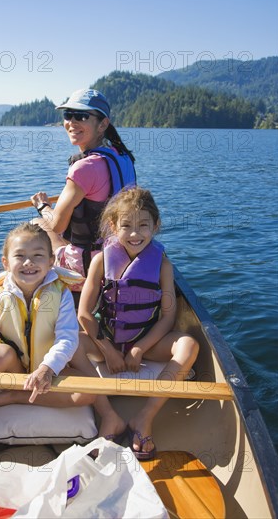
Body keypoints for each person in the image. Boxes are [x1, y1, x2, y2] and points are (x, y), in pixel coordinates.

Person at [70, 187, 199, 460]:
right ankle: (109, 416)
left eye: (143, 225)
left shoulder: (163, 266)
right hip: (106, 339)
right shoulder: (100, 262)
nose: (134, 234)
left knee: (189, 345)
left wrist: (139, 348)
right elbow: (83, 314)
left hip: (147, 340)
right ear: (113, 226)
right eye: (126, 226)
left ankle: (145, 416)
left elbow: (168, 317)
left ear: (156, 226)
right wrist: (106, 349)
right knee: (68, 344)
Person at [0, 222, 95, 449]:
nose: (29, 262)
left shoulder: (61, 294)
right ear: (6, 263)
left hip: (47, 371)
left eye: (38, 255)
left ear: (50, 262)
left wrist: (47, 368)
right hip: (14, 369)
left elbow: (67, 338)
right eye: (20, 256)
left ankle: (11, 398)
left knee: (89, 393)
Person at [30, 89, 136, 286]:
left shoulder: (84, 168)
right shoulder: (123, 157)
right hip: (120, 256)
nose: (72, 122)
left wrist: (43, 206)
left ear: (103, 124)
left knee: (37, 224)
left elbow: (57, 226)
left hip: (89, 268)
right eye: (68, 115)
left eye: (81, 116)